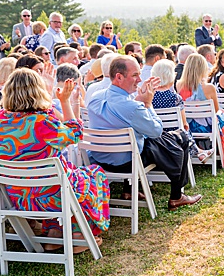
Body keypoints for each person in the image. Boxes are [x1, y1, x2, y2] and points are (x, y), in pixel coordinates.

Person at [0, 68, 110, 242]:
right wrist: (65, 101)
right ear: (37, 91)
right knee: (92, 175)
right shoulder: (43, 122)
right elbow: (75, 134)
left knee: (62, 179)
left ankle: (54, 232)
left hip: (18, 197)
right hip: (50, 198)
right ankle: (78, 236)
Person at [86, 55, 201, 208]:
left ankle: (129, 190)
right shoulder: (133, 107)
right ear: (119, 77)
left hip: (100, 158)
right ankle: (177, 195)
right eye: (135, 75)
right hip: (128, 162)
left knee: (164, 140)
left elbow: (121, 112)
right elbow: (156, 131)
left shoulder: (95, 98)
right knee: (180, 137)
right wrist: (147, 103)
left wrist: (139, 99)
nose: (140, 79)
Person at [177, 53, 224, 169]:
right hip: (207, 127)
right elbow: (216, 110)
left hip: (188, 126)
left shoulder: (179, 85)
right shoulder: (209, 88)